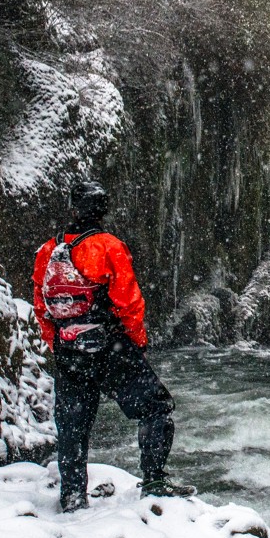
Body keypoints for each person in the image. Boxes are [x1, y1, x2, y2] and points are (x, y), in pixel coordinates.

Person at [32, 182, 193, 512]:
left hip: (67, 348)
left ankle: (74, 496)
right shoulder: (108, 246)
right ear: (102, 211)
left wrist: (58, 343)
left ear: (74, 210)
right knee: (155, 406)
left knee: (73, 425)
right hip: (109, 347)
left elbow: (40, 303)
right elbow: (128, 302)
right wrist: (137, 344)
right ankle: (154, 480)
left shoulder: (48, 250)